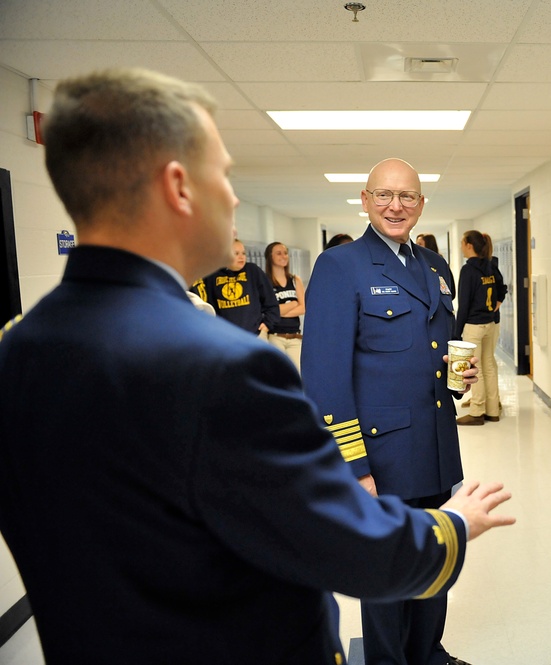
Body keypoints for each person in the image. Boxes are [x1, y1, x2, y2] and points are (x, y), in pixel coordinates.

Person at [0, 67, 514, 665]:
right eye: (223, 173)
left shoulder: (19, 352)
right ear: (178, 187)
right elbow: (346, 547)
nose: (236, 197)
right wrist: (454, 525)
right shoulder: (220, 367)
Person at [301, 158, 476, 665]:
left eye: (407, 197)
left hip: (435, 445)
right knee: (386, 574)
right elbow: (325, 380)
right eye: (384, 195)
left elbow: (434, 352)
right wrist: (354, 469)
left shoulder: (434, 268)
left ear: (421, 205)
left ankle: (428, 652)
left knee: (434, 558)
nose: (396, 206)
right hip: (381, 454)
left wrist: (457, 379)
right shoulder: (340, 267)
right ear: (365, 200)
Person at [454, 230, 503, 426]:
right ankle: (492, 411)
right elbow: (502, 288)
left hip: (474, 325)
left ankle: (477, 411)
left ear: (469, 245)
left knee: (477, 369)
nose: (460, 246)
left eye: (462, 243)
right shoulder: (490, 266)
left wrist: (456, 332)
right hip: (490, 323)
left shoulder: (469, 270)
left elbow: (464, 304)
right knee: (489, 366)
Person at [191, 237, 279, 338]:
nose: (241, 257)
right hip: (224, 337)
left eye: (243, 253)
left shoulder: (253, 271)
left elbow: (271, 302)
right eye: (236, 254)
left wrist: (267, 324)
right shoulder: (212, 275)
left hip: (255, 335)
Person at [264, 240, 305, 371]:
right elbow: (266, 310)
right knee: (279, 374)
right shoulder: (265, 282)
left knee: (298, 375)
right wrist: (293, 303)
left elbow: (303, 307)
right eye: (279, 253)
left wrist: (278, 311)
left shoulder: (294, 280)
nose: (284, 256)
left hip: (295, 337)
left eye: (285, 253)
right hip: (275, 336)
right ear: (270, 257)